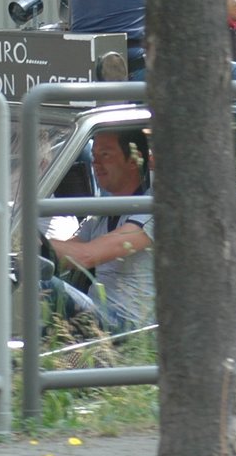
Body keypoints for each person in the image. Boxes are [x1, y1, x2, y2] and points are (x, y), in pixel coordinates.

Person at [43, 130, 154, 334]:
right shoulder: (104, 210)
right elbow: (69, 256)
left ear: (133, 160)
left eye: (105, 155)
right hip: (101, 315)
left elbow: (86, 255)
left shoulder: (151, 210)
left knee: (41, 283)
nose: (96, 163)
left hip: (130, 327)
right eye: (93, 157)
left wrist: (31, 242)